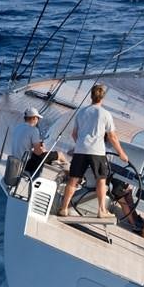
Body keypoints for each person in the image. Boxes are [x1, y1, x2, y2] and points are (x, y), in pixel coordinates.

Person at [58, 83, 128, 219]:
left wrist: (80, 145)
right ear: (103, 98)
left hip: (80, 150)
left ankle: (64, 208)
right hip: (97, 151)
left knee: (73, 180)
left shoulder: (82, 112)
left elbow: (74, 134)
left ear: (91, 96)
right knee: (101, 180)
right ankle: (101, 210)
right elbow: (112, 137)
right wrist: (121, 153)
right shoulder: (106, 114)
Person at [11, 107, 66, 176]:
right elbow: (38, 152)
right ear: (34, 118)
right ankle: (70, 172)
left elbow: (25, 145)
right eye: (38, 118)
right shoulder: (33, 130)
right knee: (60, 154)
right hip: (26, 163)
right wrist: (43, 150)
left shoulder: (18, 127)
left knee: (47, 155)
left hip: (15, 161)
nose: (38, 120)